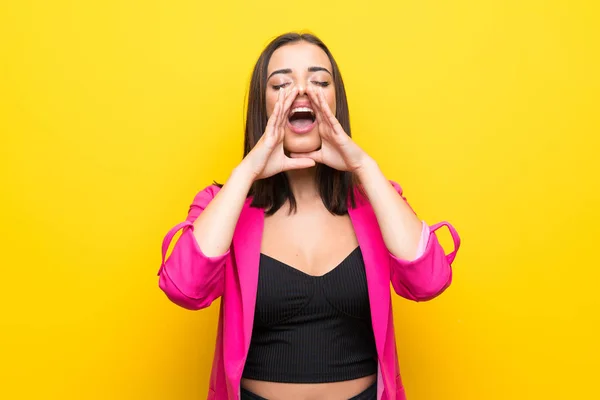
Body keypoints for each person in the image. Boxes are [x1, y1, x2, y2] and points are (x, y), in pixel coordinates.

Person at [157, 32, 460, 400]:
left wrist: (362, 165)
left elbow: (428, 281)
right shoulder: (224, 206)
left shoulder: (376, 201)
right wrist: (248, 170)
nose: (302, 91)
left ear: (335, 102)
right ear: (263, 106)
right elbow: (185, 288)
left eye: (319, 81)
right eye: (281, 84)